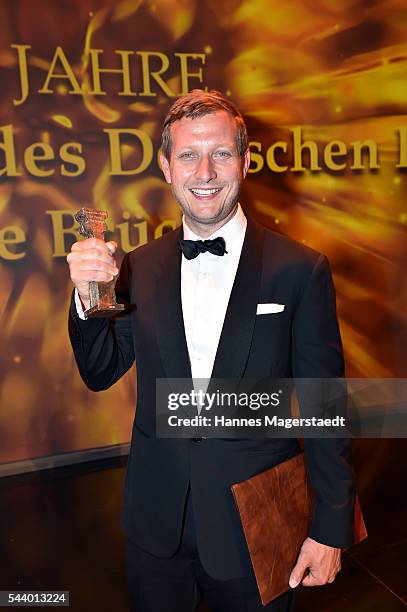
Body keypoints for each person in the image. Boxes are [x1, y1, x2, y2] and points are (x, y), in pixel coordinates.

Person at [67, 90, 356, 611]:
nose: (204, 171)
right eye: (187, 155)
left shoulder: (299, 269)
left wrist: (331, 525)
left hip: (257, 523)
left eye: (221, 153)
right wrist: (86, 299)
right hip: (156, 525)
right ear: (165, 166)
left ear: (245, 161)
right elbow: (100, 370)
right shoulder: (140, 266)